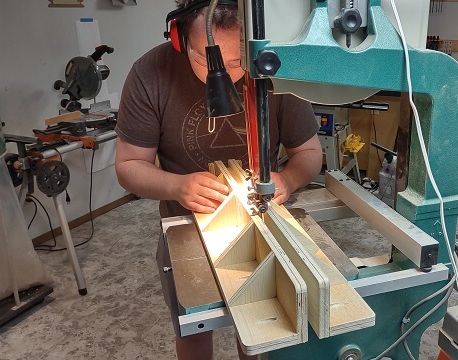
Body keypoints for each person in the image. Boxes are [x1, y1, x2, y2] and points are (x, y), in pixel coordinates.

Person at [114, 1, 322, 359]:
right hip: (185, 226)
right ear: (180, 39)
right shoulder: (150, 72)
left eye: (238, 62)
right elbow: (129, 165)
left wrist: (287, 179)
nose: (226, 77)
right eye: (208, 61)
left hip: (265, 220)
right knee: (195, 325)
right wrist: (176, 186)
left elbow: (310, 153)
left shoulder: (275, 66)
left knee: (262, 326)